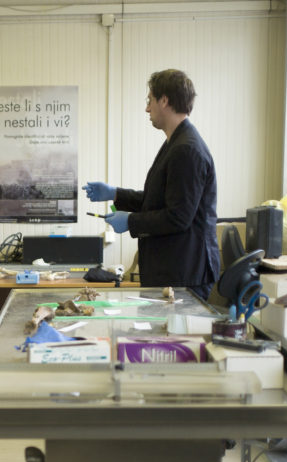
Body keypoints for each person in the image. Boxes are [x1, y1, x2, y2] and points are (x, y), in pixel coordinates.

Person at [83, 69, 219, 301]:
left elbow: (178, 216)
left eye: (150, 100)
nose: (147, 108)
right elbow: (160, 199)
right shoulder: (175, 142)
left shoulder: (186, 149)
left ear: (164, 100)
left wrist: (130, 221)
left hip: (183, 273)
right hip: (174, 270)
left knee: (171, 338)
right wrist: (115, 194)